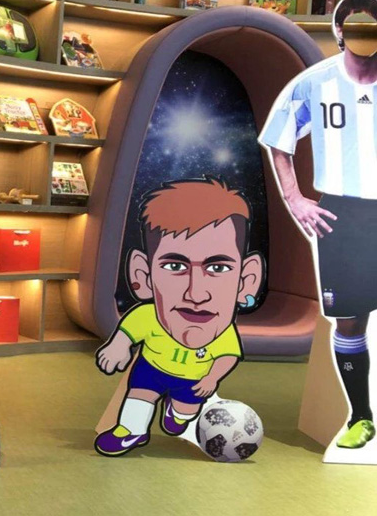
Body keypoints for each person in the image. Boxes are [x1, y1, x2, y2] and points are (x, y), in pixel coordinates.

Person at [259, 0, 377, 449]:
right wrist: (295, 199)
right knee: (350, 321)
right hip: (342, 214)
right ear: (340, 32)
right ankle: (361, 418)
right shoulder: (315, 83)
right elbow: (279, 140)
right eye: (356, 26)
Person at [94, 178, 265, 456]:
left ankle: (178, 413)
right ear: (142, 275)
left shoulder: (224, 332)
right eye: (175, 266)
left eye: (218, 268)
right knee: (139, 397)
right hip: (152, 368)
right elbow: (128, 331)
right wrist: (118, 346)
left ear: (247, 281)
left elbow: (227, 356)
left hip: (192, 380)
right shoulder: (147, 315)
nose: (196, 294)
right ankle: (130, 431)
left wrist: (212, 378)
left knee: (185, 410)